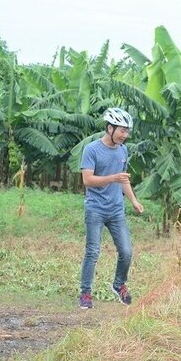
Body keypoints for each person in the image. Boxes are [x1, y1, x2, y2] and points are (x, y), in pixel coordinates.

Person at [78, 107, 144, 309]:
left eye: (127, 131)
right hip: (96, 208)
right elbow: (87, 180)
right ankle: (86, 293)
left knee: (126, 251)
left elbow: (123, 180)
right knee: (93, 252)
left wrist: (133, 200)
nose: (125, 135)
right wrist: (112, 178)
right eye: (122, 130)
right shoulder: (91, 150)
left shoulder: (123, 150)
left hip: (116, 210)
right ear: (109, 128)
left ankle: (118, 285)